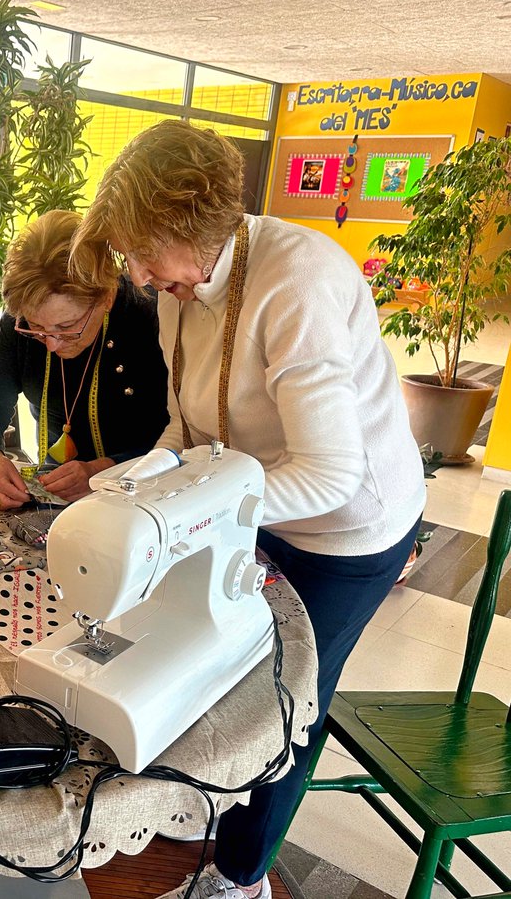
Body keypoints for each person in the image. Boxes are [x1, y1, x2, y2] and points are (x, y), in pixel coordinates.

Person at [71, 120, 425, 899]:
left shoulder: (297, 281)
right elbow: (188, 428)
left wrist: (193, 515)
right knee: (223, 666)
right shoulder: (181, 288)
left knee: (290, 704)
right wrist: (139, 483)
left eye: (139, 251)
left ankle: (243, 875)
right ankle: (209, 822)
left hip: (348, 529)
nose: (132, 272)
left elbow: (332, 473)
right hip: (260, 503)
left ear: (187, 231)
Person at [0, 210, 169, 509]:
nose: (50, 344)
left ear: (107, 296)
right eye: (36, 328)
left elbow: (174, 436)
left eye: (66, 328)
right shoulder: (17, 322)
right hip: (57, 494)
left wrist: (100, 471)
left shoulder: (151, 318)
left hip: (143, 498)